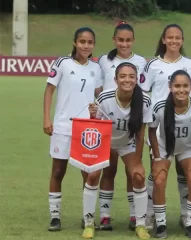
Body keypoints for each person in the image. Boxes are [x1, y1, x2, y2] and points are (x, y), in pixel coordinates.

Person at [139, 24, 191, 230]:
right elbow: (142, 93)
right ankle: (150, 215)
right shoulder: (152, 65)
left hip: (187, 127)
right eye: (170, 37)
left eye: (178, 38)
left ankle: (187, 216)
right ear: (164, 40)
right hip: (159, 128)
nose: (174, 41)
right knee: (156, 175)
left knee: (186, 175)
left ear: (182, 41)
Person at [43, 27, 102, 231]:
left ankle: (87, 217)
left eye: (89, 42)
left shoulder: (96, 68)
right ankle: (55, 216)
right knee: (58, 171)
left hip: (86, 129)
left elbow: (99, 96)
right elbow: (49, 90)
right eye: (82, 41)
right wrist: (46, 118)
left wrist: (96, 109)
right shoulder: (62, 63)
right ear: (75, 42)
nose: (86, 45)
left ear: (93, 45)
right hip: (62, 125)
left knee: (88, 173)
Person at [85, 62, 152, 239]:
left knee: (138, 176)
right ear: (115, 79)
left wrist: (137, 162)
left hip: (128, 143)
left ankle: (140, 224)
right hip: (105, 141)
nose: (127, 80)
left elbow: (140, 132)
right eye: (122, 76)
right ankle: (90, 222)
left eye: (131, 76)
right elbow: (95, 126)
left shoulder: (144, 100)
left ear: (137, 79)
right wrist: (92, 115)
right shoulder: (105, 97)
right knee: (93, 175)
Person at [96, 21, 147, 231]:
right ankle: (105, 216)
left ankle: (135, 216)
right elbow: (98, 89)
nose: (124, 44)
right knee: (108, 171)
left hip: (130, 123)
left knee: (132, 172)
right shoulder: (103, 61)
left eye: (128, 40)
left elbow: (142, 91)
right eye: (120, 40)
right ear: (114, 40)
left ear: (133, 41)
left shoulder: (142, 62)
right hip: (108, 122)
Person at [148, 70, 191, 238]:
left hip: (187, 147)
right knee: (159, 180)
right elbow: (151, 131)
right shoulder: (159, 106)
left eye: (185, 86)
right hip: (164, 146)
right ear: (170, 87)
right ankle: (161, 224)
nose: (181, 90)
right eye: (177, 86)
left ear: (190, 87)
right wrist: (157, 157)